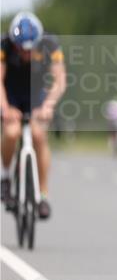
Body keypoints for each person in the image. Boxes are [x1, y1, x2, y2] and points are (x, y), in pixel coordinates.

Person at [1, 12, 66, 218]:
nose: (26, 54)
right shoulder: (4, 45)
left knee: (39, 135)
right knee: (11, 133)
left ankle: (43, 195)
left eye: (30, 50)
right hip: (11, 92)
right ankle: (5, 177)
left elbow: (60, 80)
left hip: (36, 93)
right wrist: (5, 109)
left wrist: (49, 105)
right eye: (21, 50)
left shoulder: (51, 45)